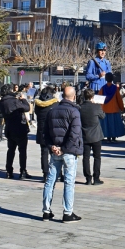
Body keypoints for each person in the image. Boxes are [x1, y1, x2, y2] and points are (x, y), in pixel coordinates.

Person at [42, 86, 83, 222]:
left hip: (55, 150)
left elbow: (45, 133)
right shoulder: (74, 112)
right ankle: (67, 212)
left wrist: (52, 146)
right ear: (74, 96)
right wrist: (64, 149)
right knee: (69, 182)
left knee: (50, 181)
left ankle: (46, 211)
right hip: (68, 151)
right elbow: (75, 134)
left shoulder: (52, 111)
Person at [0, 86, 32, 179]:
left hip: (9, 128)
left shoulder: (1, 102)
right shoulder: (14, 101)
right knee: (22, 151)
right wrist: (24, 100)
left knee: (11, 150)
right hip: (20, 127)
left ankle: (9, 171)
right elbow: (26, 108)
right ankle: (23, 171)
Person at [78, 88, 105, 185]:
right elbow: (103, 116)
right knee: (97, 157)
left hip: (84, 135)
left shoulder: (80, 107)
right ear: (93, 97)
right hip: (96, 135)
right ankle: (96, 178)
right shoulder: (96, 107)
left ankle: (88, 178)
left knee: (86, 157)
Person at [34, 87, 58, 179]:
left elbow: (36, 113)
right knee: (55, 153)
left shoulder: (38, 104)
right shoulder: (55, 104)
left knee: (44, 153)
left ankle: (45, 173)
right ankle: (57, 173)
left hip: (41, 131)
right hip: (53, 132)